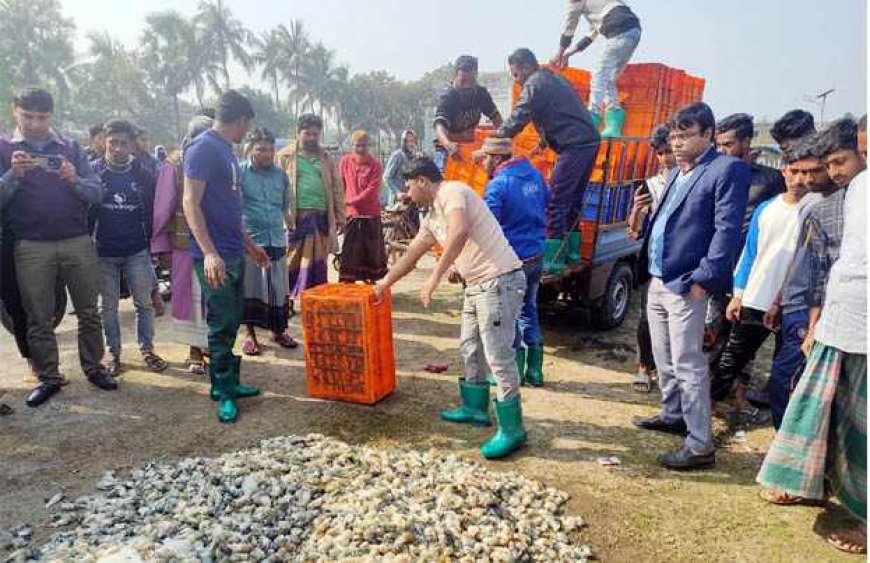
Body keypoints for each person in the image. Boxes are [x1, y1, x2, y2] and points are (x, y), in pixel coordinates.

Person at [758, 123, 866, 556]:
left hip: (858, 326)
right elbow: (828, 267)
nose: (833, 171)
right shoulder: (849, 197)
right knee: (824, 411)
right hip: (842, 322)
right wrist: (815, 317)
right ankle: (811, 484)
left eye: (841, 160)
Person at [374, 156, 527, 459]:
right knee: (469, 347)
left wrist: (434, 277)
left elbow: (458, 232)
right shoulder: (431, 216)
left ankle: (513, 429)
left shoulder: (452, 193)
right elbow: (412, 254)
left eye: (408, 185)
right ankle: (474, 408)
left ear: (422, 180)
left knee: (498, 356)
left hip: (498, 281)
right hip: (477, 286)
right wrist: (384, 283)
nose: (406, 192)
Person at [632, 102, 750, 471]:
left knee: (688, 363)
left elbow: (726, 230)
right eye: (674, 136)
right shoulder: (678, 172)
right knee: (663, 355)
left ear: (709, 135)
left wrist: (705, 280)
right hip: (659, 278)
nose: (678, 143)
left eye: (686, 136)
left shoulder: (725, 169)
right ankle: (672, 413)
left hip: (688, 284)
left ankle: (700, 445)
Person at [0, 88, 115, 407]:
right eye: (29, 116)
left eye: (43, 117)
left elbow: (96, 193)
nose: (36, 124)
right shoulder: (4, 149)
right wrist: (13, 174)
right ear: (15, 112)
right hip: (30, 245)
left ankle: (94, 367)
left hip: (76, 240)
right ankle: (49, 376)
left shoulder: (70, 148)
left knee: (89, 311)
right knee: (38, 316)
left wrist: (73, 177)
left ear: (52, 116)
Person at [707, 141, 812, 420]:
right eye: (794, 171)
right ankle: (701, 410)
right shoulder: (766, 208)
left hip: (793, 306)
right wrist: (739, 294)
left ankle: (784, 424)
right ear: (784, 172)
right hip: (756, 298)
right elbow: (749, 254)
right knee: (730, 360)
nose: (799, 179)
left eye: (806, 173)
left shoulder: (814, 212)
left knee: (786, 370)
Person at [182, 89, 269, 423]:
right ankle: (223, 392)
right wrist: (208, 253)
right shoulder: (203, 148)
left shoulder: (227, 150)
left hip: (233, 249)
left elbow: (227, 210)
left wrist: (249, 245)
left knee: (232, 319)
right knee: (220, 324)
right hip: (215, 255)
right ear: (242, 121)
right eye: (248, 125)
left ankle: (228, 382)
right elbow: (191, 202)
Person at [707, 113, 787, 410]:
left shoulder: (771, 180)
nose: (723, 150)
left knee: (743, 334)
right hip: (721, 268)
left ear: (746, 141)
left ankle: (739, 393)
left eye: (728, 144)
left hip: (753, 272)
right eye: (719, 144)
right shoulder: (716, 173)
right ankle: (712, 389)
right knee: (715, 330)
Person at [496, 48, 600, 274]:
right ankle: (571, 253)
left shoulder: (535, 83)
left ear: (524, 67)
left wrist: (494, 139)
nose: (517, 80)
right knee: (572, 200)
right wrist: (543, 142)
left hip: (574, 145)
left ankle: (553, 261)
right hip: (587, 141)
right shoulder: (551, 78)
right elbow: (559, 113)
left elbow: (519, 116)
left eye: (516, 74)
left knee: (556, 200)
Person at [760, 137, 840, 429]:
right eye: (801, 172)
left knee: (791, 379)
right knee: (783, 378)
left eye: (814, 171)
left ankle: (792, 445)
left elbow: (827, 268)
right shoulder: (810, 201)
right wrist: (779, 299)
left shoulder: (841, 206)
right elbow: (799, 257)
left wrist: (816, 316)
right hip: (794, 304)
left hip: (813, 308)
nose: (806, 179)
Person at [92, 119, 168, 377]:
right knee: (108, 307)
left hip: (136, 249)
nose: (117, 148)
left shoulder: (143, 174)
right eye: (113, 142)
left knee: (144, 304)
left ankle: (147, 349)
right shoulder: (93, 172)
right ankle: (114, 354)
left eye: (123, 143)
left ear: (132, 145)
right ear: (104, 140)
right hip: (104, 252)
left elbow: (157, 206)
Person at [474, 136, 549, 387]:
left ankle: (513, 371)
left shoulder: (498, 185)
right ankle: (535, 372)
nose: (483, 161)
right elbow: (547, 203)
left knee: (508, 316)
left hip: (511, 261)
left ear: (496, 158)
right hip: (536, 256)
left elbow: (487, 226)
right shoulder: (535, 175)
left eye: (485, 157)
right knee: (529, 309)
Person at [238, 126, 297, 356]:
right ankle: (250, 336)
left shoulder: (280, 175)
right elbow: (235, 208)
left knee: (277, 287)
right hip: (252, 241)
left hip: (276, 237)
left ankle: (278, 330)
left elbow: (284, 205)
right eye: (261, 149)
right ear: (250, 149)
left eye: (270, 150)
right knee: (252, 288)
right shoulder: (240, 173)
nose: (266, 154)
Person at [275, 114, 345, 299]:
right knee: (292, 261)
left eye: (315, 134)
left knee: (319, 262)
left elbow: (337, 188)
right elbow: (276, 188)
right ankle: (287, 300)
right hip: (295, 219)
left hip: (321, 218)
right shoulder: (284, 156)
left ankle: (317, 298)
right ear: (297, 133)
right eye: (308, 133)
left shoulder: (326, 158)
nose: (312, 138)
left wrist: (340, 217)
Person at [627, 124, 675, 392]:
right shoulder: (651, 185)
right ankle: (643, 366)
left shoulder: (688, 182)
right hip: (653, 261)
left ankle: (664, 368)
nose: (666, 158)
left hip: (680, 263)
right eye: (661, 153)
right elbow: (634, 231)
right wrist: (636, 210)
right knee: (647, 317)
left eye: (669, 151)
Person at [551, 0, 642, 137]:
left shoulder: (575, 2)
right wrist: (568, 54)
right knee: (608, 78)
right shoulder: (598, 11)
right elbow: (589, 37)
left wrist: (559, 54)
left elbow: (569, 29)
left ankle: (592, 118)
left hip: (619, 30)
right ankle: (614, 124)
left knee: (598, 75)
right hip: (633, 30)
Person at [170, 114, 214, 375]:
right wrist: (159, 246)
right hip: (185, 244)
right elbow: (164, 206)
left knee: (211, 298)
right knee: (190, 299)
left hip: (213, 242)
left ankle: (209, 346)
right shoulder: (174, 165)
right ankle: (194, 351)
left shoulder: (218, 158)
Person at [433, 55, 503, 171]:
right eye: (463, 81)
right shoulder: (448, 97)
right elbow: (439, 126)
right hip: (447, 150)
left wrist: (503, 138)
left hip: (469, 149)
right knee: (442, 185)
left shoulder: (481, 94)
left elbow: (496, 118)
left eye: (472, 81)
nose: (468, 86)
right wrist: (448, 144)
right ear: (455, 77)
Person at [338, 130, 388, 283]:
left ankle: (371, 281)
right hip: (352, 214)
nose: (360, 149)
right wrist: (342, 203)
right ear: (352, 146)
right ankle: (348, 282)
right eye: (357, 146)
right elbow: (340, 184)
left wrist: (351, 201)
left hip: (370, 214)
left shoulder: (375, 165)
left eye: (364, 146)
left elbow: (372, 190)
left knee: (371, 251)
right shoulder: (345, 161)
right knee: (351, 250)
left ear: (368, 146)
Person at [383, 129, 419, 206]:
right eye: (408, 141)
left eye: (412, 141)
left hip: (412, 201)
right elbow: (387, 178)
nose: (411, 144)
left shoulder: (416, 157)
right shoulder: (397, 156)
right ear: (403, 142)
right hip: (397, 202)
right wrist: (397, 192)